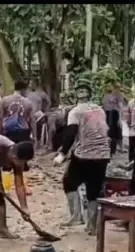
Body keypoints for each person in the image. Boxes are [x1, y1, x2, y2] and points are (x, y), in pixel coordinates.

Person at [52, 80, 111, 235]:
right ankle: (92, 226)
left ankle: (76, 216)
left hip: (84, 154)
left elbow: (71, 134)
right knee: (94, 189)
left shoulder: (75, 111)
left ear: (76, 94)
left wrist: (62, 154)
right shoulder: (100, 109)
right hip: (103, 154)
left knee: (69, 183)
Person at [1, 80, 35, 144]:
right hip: (23, 131)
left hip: (8, 130)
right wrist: (34, 135)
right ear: (23, 90)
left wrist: (0, 131)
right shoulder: (28, 102)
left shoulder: (5, 100)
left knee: (9, 152)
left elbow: (0, 117)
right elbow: (32, 120)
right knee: (22, 152)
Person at [102, 83, 127, 156]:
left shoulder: (118, 95)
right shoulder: (106, 95)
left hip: (114, 114)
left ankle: (116, 149)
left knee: (115, 132)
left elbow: (120, 107)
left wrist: (120, 118)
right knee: (110, 131)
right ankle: (111, 149)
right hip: (108, 113)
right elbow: (104, 106)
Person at [26, 81, 51, 145]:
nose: (30, 85)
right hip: (29, 114)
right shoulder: (27, 93)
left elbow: (48, 102)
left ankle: (39, 142)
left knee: (39, 127)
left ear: (35, 84)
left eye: (32, 83)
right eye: (29, 84)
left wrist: (45, 111)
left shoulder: (41, 93)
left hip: (38, 113)